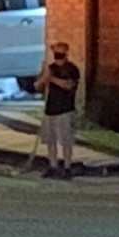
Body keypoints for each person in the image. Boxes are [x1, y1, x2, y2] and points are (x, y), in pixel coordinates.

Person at [38, 41, 82, 180]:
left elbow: (68, 85)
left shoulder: (71, 69)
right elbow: (39, 86)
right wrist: (42, 79)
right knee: (50, 140)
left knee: (66, 140)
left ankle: (67, 167)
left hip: (65, 109)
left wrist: (50, 77)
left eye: (60, 52)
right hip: (50, 109)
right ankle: (53, 166)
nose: (57, 56)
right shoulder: (50, 68)